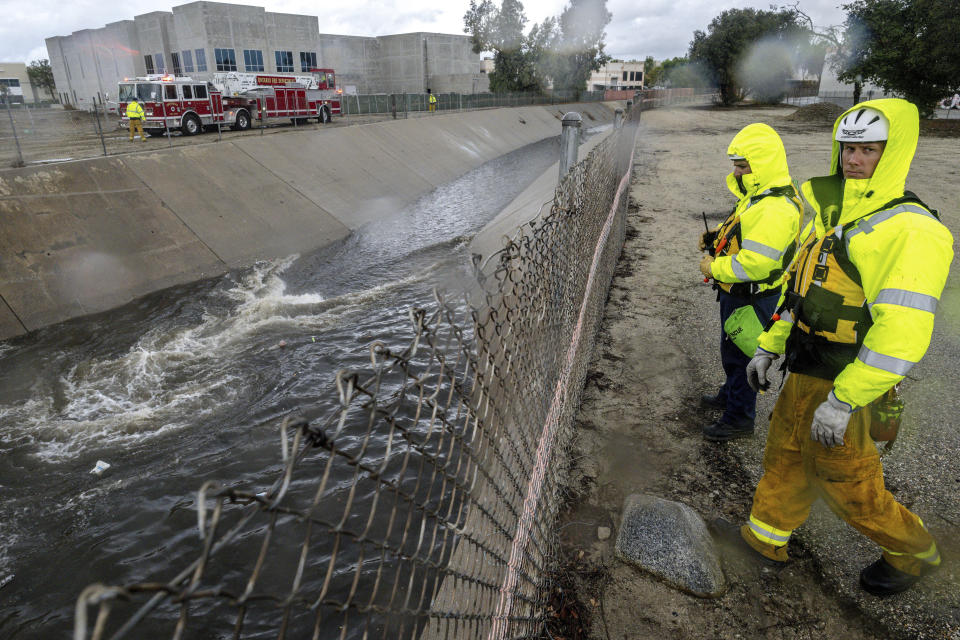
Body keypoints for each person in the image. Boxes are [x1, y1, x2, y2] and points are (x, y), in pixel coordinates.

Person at [727, 99, 954, 595]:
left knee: (848, 481)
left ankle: (916, 554)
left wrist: (846, 399)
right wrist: (769, 347)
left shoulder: (910, 230)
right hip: (806, 368)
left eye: (868, 150)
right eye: (848, 148)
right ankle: (765, 539)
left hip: (845, 380)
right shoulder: (831, 212)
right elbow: (799, 289)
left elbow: (900, 335)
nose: (854, 160)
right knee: (785, 455)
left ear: (891, 155)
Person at [698, 123, 801, 442]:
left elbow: (754, 264)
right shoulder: (763, 195)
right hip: (741, 295)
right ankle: (730, 395)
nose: (738, 173)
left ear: (764, 165)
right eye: (736, 166)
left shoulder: (775, 208)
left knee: (742, 357)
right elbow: (745, 226)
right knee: (732, 351)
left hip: (752, 297)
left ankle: (739, 419)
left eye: (743, 166)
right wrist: (718, 236)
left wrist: (714, 267)